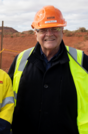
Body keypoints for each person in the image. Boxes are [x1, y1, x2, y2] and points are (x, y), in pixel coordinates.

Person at [8, 5, 88, 134]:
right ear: (36, 33)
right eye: (43, 30)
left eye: (55, 28)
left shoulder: (81, 60)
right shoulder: (20, 60)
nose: (49, 34)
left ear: (63, 30)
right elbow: (7, 99)